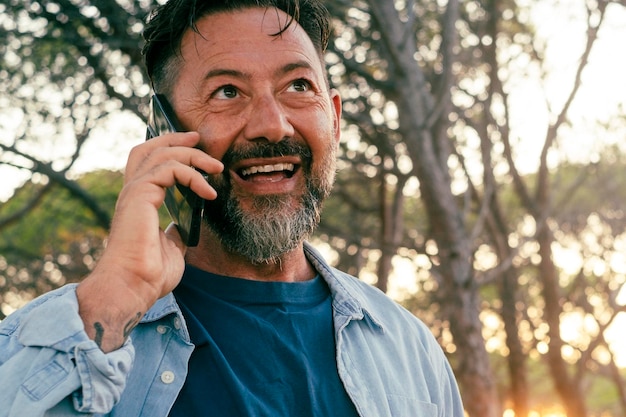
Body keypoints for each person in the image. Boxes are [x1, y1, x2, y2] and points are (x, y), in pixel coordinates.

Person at [0, 0, 464, 416]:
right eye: (227, 92)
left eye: (298, 85)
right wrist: (114, 296)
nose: (272, 125)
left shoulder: (410, 348)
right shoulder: (42, 341)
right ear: (163, 131)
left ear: (335, 119)